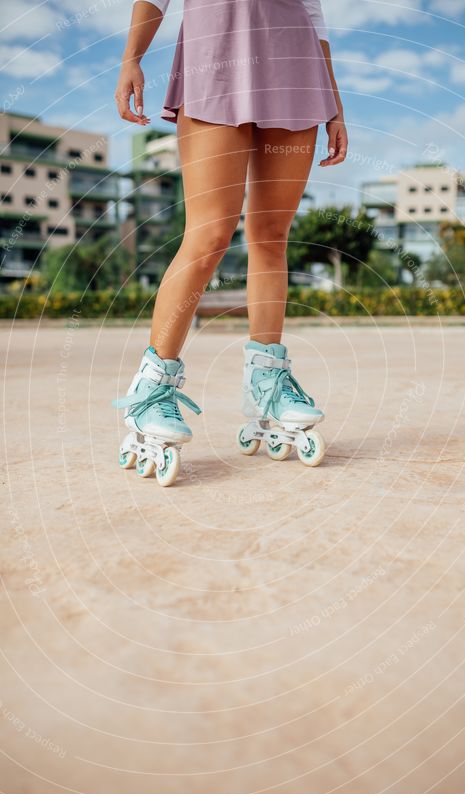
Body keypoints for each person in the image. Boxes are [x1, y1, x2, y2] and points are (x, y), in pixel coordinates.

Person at [114, 0, 348, 484]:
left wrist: (335, 107)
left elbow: (313, 15)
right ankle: (151, 390)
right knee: (210, 233)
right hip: (216, 56)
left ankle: (268, 381)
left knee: (271, 235)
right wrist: (131, 57)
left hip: (295, 68)